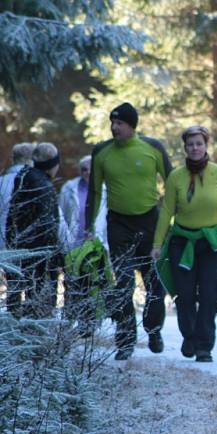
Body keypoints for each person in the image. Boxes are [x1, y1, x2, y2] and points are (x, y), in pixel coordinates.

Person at [86, 102, 172, 360]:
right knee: (122, 284)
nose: (114, 127)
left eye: (120, 123)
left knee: (155, 282)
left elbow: (173, 183)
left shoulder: (153, 148)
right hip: (118, 224)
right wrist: (89, 227)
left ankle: (153, 329)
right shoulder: (101, 152)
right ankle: (124, 341)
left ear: (131, 125)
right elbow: (93, 191)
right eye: (112, 123)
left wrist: (174, 220)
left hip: (150, 222)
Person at [151, 125, 217, 363]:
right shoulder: (176, 176)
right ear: (185, 147)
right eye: (190, 144)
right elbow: (167, 211)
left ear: (206, 146)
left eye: (199, 143)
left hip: (213, 243)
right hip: (182, 242)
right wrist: (157, 244)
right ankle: (189, 336)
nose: (194, 148)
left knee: (210, 294)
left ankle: (204, 346)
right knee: (185, 294)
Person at [5, 143, 61, 318]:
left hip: (21, 245)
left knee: (21, 291)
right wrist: (55, 252)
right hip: (40, 251)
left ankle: (20, 329)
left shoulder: (23, 177)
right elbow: (47, 221)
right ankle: (36, 335)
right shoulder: (43, 184)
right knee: (38, 296)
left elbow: (12, 215)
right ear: (52, 164)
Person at [60, 155, 107, 250]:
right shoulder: (68, 188)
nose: (88, 172)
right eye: (84, 169)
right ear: (80, 171)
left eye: (91, 169)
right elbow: (61, 215)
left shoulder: (106, 190)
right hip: (73, 243)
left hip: (98, 244)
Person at [0, 142, 34, 250]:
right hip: (29, 248)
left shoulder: (1, 182)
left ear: (13, 159)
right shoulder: (37, 184)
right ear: (32, 160)